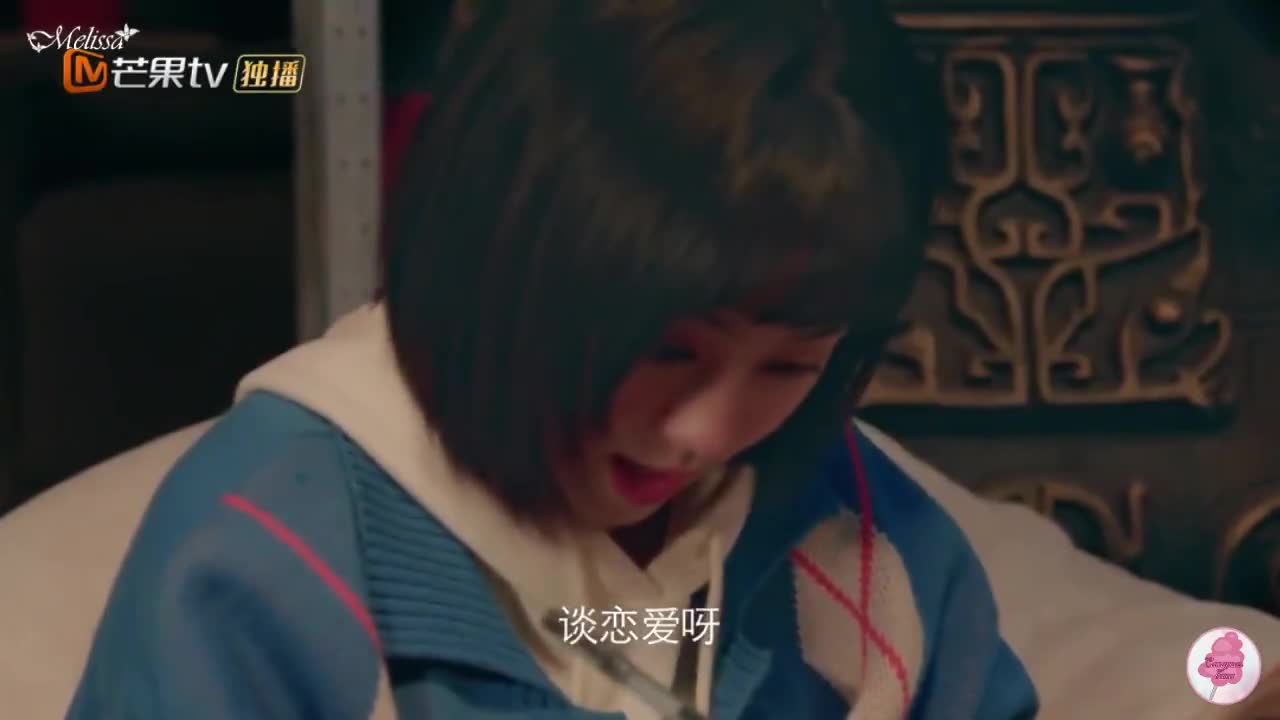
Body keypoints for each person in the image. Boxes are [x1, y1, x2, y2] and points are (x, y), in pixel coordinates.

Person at [65, 0, 1033, 717]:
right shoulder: (263, 554)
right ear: (504, 254)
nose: (705, 432)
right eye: (668, 348)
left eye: (788, 367)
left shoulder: (859, 538)